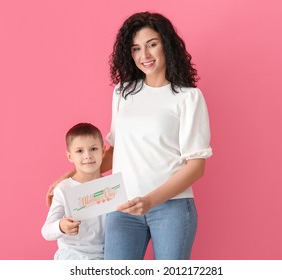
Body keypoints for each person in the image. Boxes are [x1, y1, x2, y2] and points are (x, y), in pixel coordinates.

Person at [47, 11, 212, 260]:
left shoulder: (188, 98)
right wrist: (68, 178)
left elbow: (196, 167)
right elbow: (115, 151)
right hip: (122, 206)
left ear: (166, 45)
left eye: (152, 45)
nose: (144, 56)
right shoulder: (124, 92)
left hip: (171, 207)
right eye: (135, 49)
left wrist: (150, 201)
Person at [41, 123, 106, 260]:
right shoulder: (64, 189)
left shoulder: (111, 188)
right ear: (70, 156)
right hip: (71, 256)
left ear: (103, 151)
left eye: (93, 149)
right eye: (79, 151)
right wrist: (61, 226)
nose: (88, 156)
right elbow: (46, 231)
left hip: (104, 258)